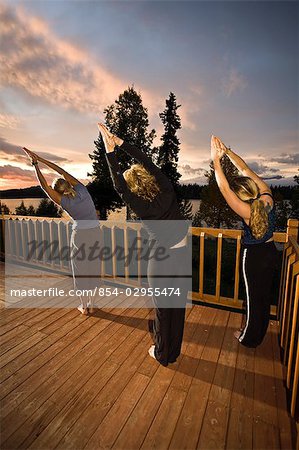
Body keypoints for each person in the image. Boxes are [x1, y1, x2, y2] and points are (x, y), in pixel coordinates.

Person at [98, 123, 191, 366]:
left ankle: (162, 354)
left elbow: (119, 185)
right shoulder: (167, 189)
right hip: (181, 257)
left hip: (161, 261)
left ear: (133, 188)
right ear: (149, 177)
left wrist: (110, 153)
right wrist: (120, 143)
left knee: (162, 310)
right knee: (176, 308)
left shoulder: (139, 205)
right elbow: (147, 161)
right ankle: (173, 352)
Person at [211, 135, 278, 348]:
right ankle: (259, 334)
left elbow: (224, 189)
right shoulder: (266, 196)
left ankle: (248, 338)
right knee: (263, 297)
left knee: (252, 298)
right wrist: (228, 152)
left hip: (254, 257)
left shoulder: (246, 211)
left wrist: (216, 160)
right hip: (270, 252)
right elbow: (246, 169)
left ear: (242, 197)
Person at [23, 147, 101, 315]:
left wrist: (35, 163)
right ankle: (93, 304)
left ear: (58, 191)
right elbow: (61, 170)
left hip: (80, 236)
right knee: (93, 268)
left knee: (80, 270)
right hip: (95, 234)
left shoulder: (64, 201)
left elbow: (44, 186)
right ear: (68, 183)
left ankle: (84, 307)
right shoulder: (82, 189)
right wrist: (41, 159)